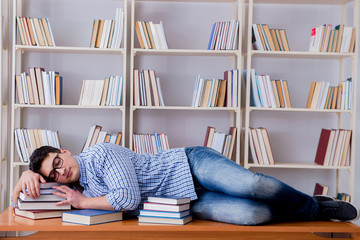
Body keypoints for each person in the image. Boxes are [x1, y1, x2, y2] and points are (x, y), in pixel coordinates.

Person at [12, 142, 359, 225]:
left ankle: (316, 205)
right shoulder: (75, 188)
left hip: (190, 165)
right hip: (184, 204)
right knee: (253, 215)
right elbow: (24, 201)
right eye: (52, 175)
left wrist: (84, 203)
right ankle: (310, 209)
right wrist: (24, 176)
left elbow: (128, 198)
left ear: (65, 151)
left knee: (254, 186)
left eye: (58, 163)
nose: (60, 173)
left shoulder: (101, 153)